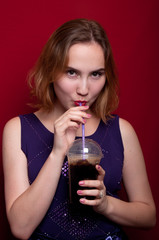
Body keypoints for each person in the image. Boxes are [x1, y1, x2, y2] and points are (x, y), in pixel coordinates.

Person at [2, 18, 156, 240]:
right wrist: (57, 153)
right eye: (71, 72)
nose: (84, 89)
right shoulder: (17, 130)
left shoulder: (122, 131)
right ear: (51, 70)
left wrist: (105, 204)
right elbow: (20, 228)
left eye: (96, 74)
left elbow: (148, 217)